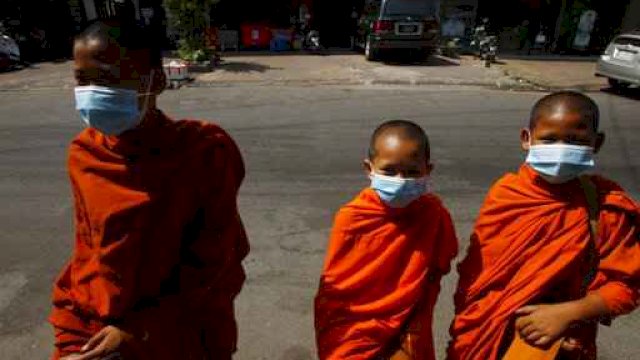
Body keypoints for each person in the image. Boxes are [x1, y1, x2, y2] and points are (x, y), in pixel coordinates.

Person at [50, 18, 249, 360]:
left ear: (155, 81)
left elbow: (215, 258)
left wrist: (139, 327)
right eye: (83, 80)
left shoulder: (203, 151)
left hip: (182, 327)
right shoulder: (84, 153)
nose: (93, 92)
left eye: (108, 78)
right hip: (99, 324)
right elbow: (89, 252)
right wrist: (73, 334)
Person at [448, 91, 640, 360]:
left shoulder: (606, 206)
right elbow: (475, 276)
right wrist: (469, 323)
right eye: (549, 139)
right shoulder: (505, 194)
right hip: (482, 335)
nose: (561, 149)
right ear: (527, 139)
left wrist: (570, 313)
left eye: (575, 140)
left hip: (560, 345)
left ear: (597, 143)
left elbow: (627, 287)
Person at [315, 120, 458, 360]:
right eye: (389, 171)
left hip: (410, 326)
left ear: (428, 170)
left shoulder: (433, 214)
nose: (400, 180)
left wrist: (409, 333)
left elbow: (433, 275)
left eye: (412, 172)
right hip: (352, 331)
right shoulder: (353, 218)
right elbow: (336, 291)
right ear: (368, 168)